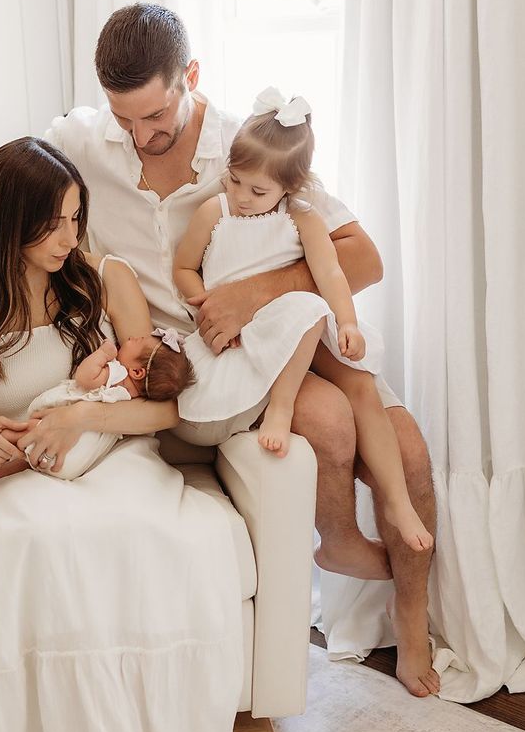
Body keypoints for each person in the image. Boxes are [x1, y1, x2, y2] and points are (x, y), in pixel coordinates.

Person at [0, 2, 439, 698]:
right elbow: (9, 161)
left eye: (154, 117)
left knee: (408, 446)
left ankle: (414, 618)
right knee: (328, 423)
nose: (140, 134)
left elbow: (362, 258)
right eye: (124, 118)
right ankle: (338, 542)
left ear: (190, 78)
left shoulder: (249, 147)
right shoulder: (91, 142)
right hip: (188, 358)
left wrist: (255, 292)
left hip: (269, 329)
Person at [0, 137, 242, 732]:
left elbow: (160, 412)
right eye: (53, 224)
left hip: (113, 454)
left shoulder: (107, 280)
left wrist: (80, 420)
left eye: (77, 218)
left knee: (129, 533)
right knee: (51, 548)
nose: (70, 238)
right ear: (7, 221)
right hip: (26, 473)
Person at [174, 88, 433, 555]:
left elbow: (332, 273)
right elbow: (184, 266)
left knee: (361, 385)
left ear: (290, 189)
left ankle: (396, 502)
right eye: (234, 181)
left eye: (258, 191)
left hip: (301, 322)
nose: (242, 197)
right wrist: (204, 304)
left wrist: (349, 324)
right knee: (307, 315)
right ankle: (282, 405)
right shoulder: (217, 211)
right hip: (248, 332)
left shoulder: (303, 218)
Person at [0, 328, 194, 482]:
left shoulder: (116, 373)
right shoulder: (132, 396)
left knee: (18, 431)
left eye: (137, 340)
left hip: (71, 438)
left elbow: (85, 379)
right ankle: (12, 467)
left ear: (138, 371)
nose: (130, 337)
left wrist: (103, 354)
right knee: (28, 444)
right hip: (82, 457)